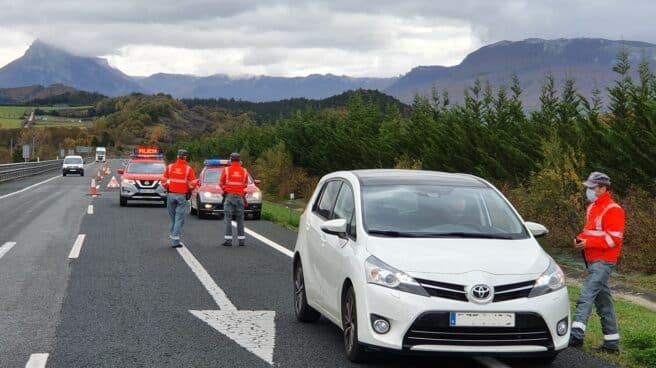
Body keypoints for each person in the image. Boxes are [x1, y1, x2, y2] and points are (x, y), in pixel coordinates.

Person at [569, 172, 625, 354]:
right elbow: (589, 231)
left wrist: (588, 243)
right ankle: (612, 344)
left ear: (603, 188)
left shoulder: (614, 209)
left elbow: (613, 239)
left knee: (586, 294)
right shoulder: (592, 207)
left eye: (592, 187)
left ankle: (576, 335)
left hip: (604, 261)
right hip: (592, 260)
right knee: (604, 303)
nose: (589, 191)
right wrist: (579, 239)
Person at [161, 149, 197, 248]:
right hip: (182, 196)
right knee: (179, 219)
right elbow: (193, 182)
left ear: (177, 156)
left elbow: (163, 180)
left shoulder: (170, 167)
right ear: (185, 157)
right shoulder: (188, 169)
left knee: (173, 218)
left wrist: (167, 187)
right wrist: (189, 190)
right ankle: (175, 240)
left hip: (171, 195)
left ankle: (173, 235)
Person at [220, 152, 249, 247]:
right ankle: (241, 241)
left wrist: (226, 189)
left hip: (229, 196)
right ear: (239, 160)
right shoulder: (244, 171)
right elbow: (245, 184)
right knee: (240, 218)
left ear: (230, 160)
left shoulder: (227, 170)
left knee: (228, 218)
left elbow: (221, 183)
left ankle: (228, 241)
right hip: (240, 197)